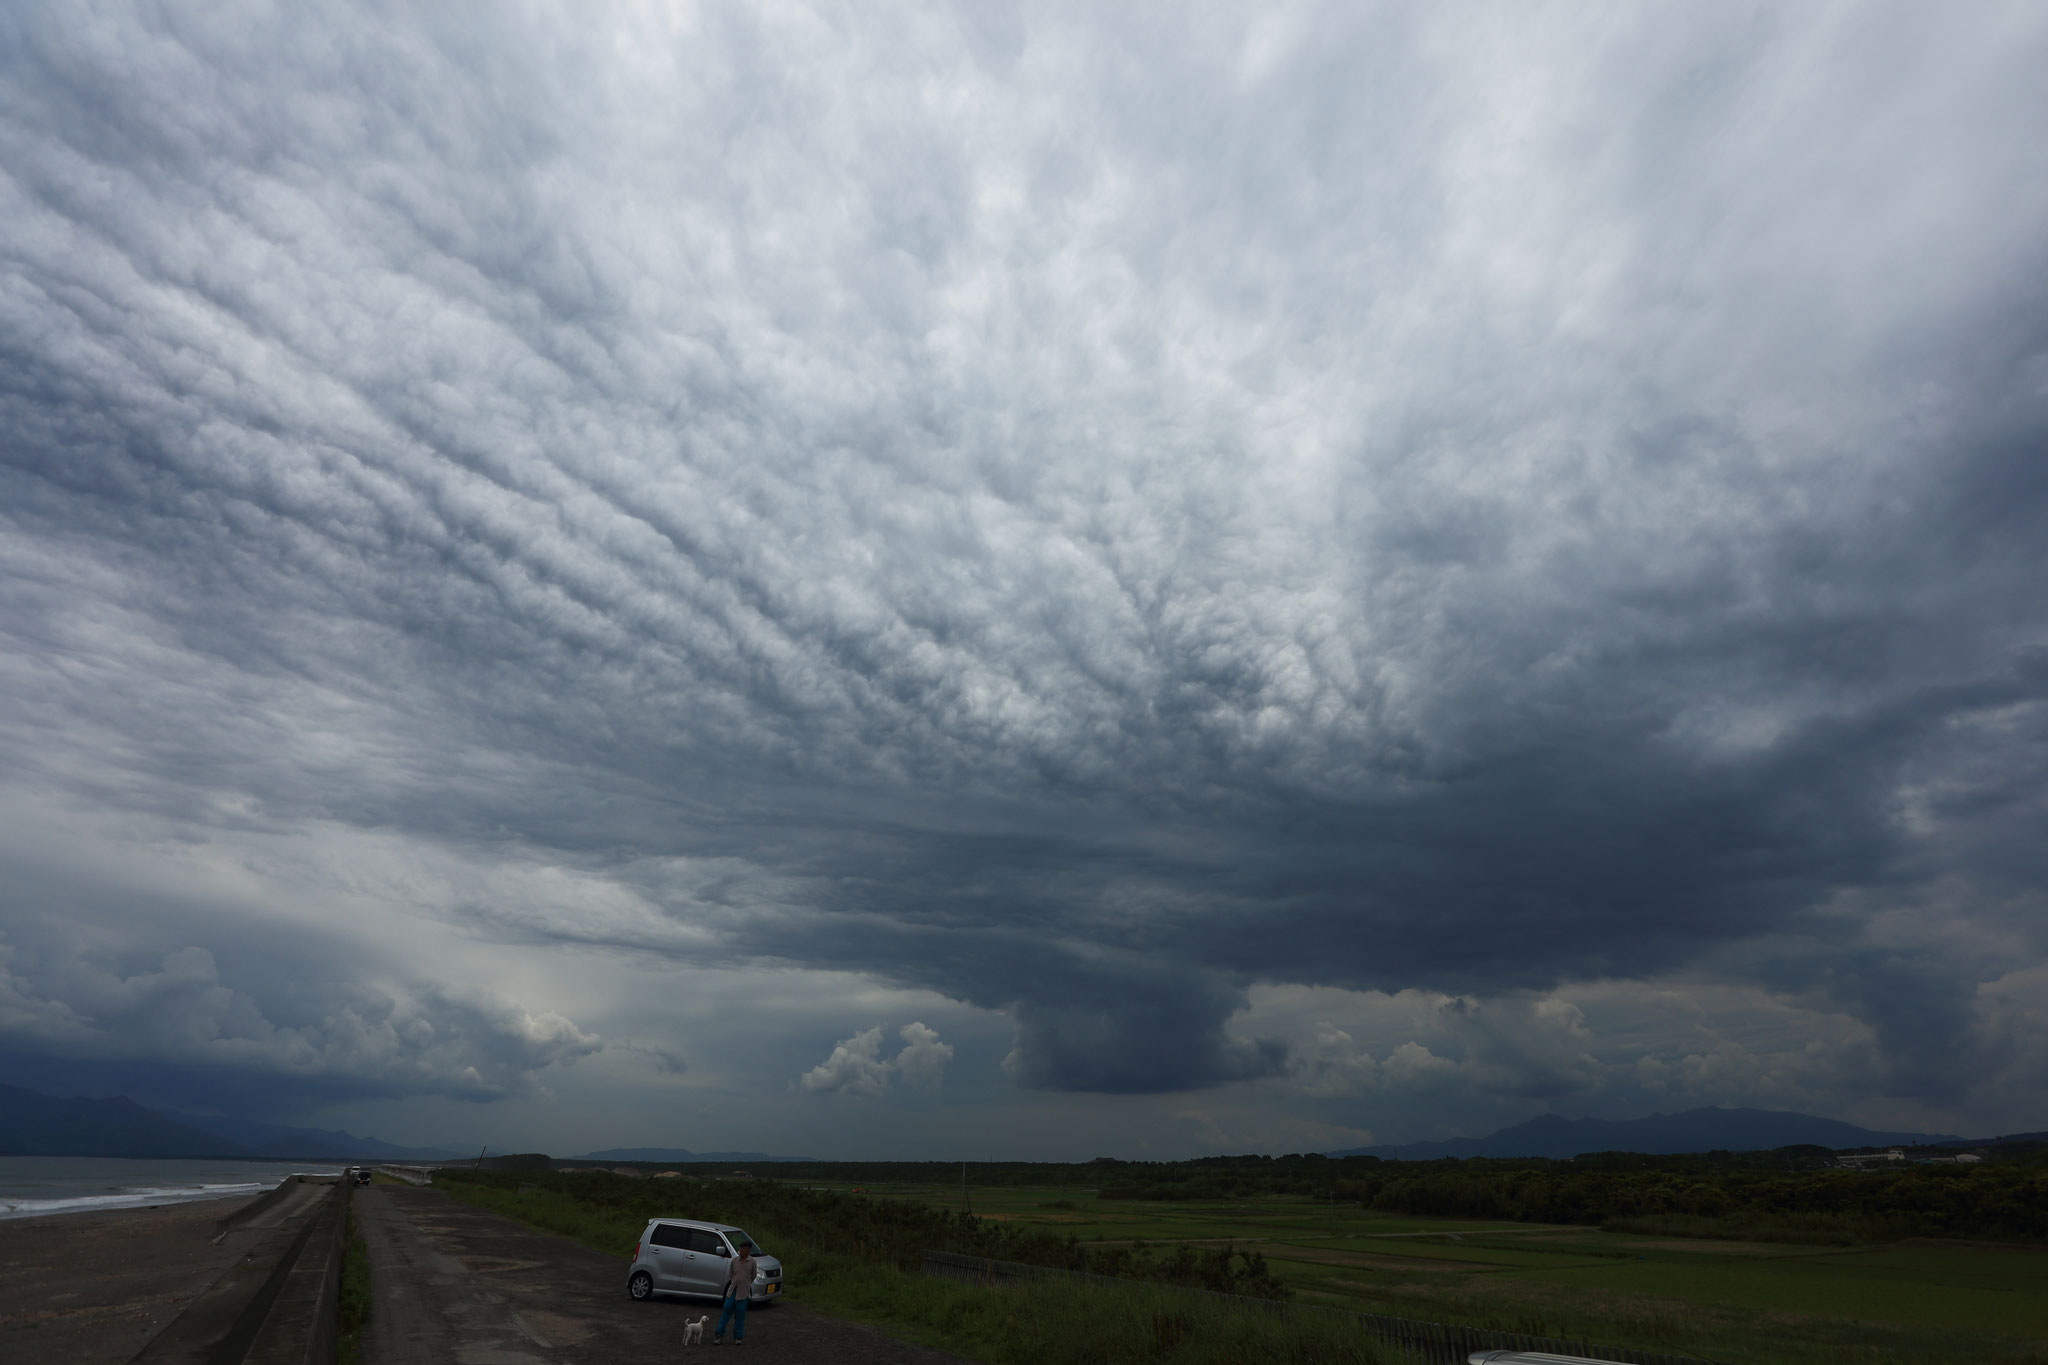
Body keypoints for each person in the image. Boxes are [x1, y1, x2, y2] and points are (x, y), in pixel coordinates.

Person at [712, 1238, 756, 1344]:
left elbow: (753, 1276)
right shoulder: (734, 1261)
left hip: (743, 1293)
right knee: (726, 1312)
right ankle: (718, 1335)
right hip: (732, 1291)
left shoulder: (752, 1262)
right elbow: (730, 1274)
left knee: (740, 1316)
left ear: (748, 1250)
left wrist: (745, 1284)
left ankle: (738, 1337)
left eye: (742, 1248)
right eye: (740, 1248)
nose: (740, 1250)